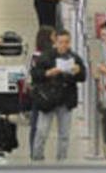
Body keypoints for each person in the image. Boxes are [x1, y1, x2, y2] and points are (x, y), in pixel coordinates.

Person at [30, 29, 86, 161]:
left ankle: (62, 162)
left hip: (65, 100)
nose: (64, 45)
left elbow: (83, 76)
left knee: (64, 135)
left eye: (66, 42)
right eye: (61, 42)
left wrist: (78, 71)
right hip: (48, 100)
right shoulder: (45, 57)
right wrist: (48, 73)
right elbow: (35, 75)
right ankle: (37, 159)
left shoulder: (74, 58)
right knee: (41, 132)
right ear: (55, 42)